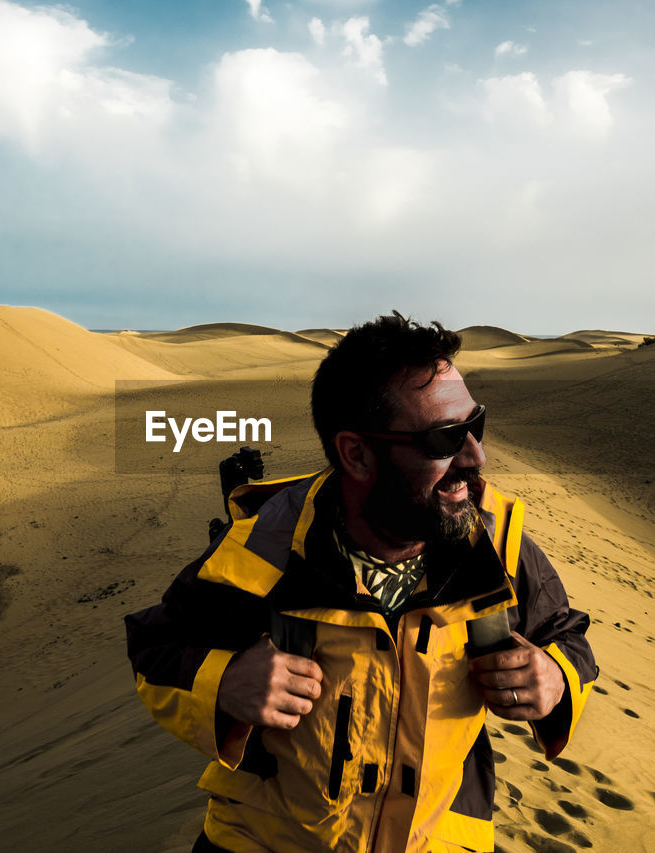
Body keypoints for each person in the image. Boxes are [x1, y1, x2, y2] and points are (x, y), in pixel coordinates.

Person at [125, 313, 597, 852]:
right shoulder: (264, 551)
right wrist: (225, 683)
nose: (476, 456)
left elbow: (567, 635)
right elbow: (156, 647)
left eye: (475, 425)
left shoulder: (494, 544)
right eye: (444, 438)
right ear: (356, 453)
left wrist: (555, 678)